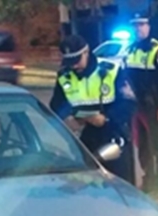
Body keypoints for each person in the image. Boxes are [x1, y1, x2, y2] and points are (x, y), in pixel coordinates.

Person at [50, 34, 137, 183]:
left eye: (77, 61)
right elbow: (56, 104)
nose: (74, 66)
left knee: (120, 188)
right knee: (86, 187)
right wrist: (67, 118)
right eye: (70, 62)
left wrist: (106, 119)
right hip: (84, 140)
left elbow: (129, 103)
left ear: (86, 52)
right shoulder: (65, 76)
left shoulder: (111, 71)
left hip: (113, 136)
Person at [124, 14, 158, 198]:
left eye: (142, 25)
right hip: (136, 107)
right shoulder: (130, 50)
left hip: (153, 106)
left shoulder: (157, 50)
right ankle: (148, 181)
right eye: (135, 26)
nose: (138, 29)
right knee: (143, 146)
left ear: (149, 27)